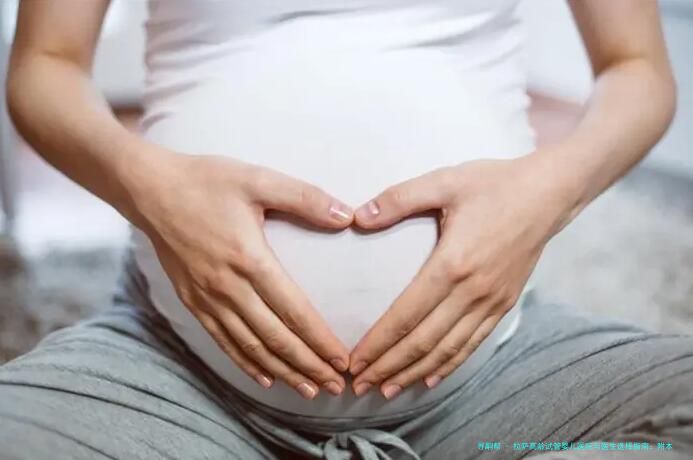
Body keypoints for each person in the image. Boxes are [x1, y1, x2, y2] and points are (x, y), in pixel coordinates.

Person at [0, 0, 689, 459]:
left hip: (497, 383)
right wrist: (151, 187)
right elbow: (45, 64)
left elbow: (637, 68)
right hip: (171, 375)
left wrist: (546, 193)